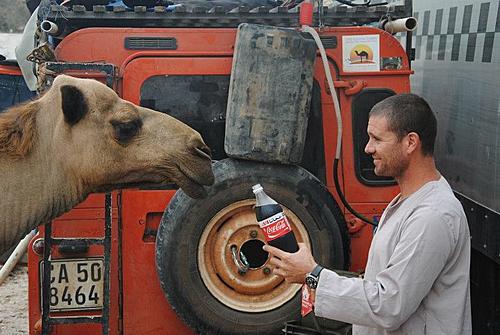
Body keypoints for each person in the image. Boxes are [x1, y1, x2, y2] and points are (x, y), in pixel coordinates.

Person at [263, 93, 472, 335]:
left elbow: (389, 306)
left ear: (410, 142)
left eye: (377, 139)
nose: (368, 148)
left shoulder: (433, 216)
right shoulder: (408, 201)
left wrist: (312, 275)